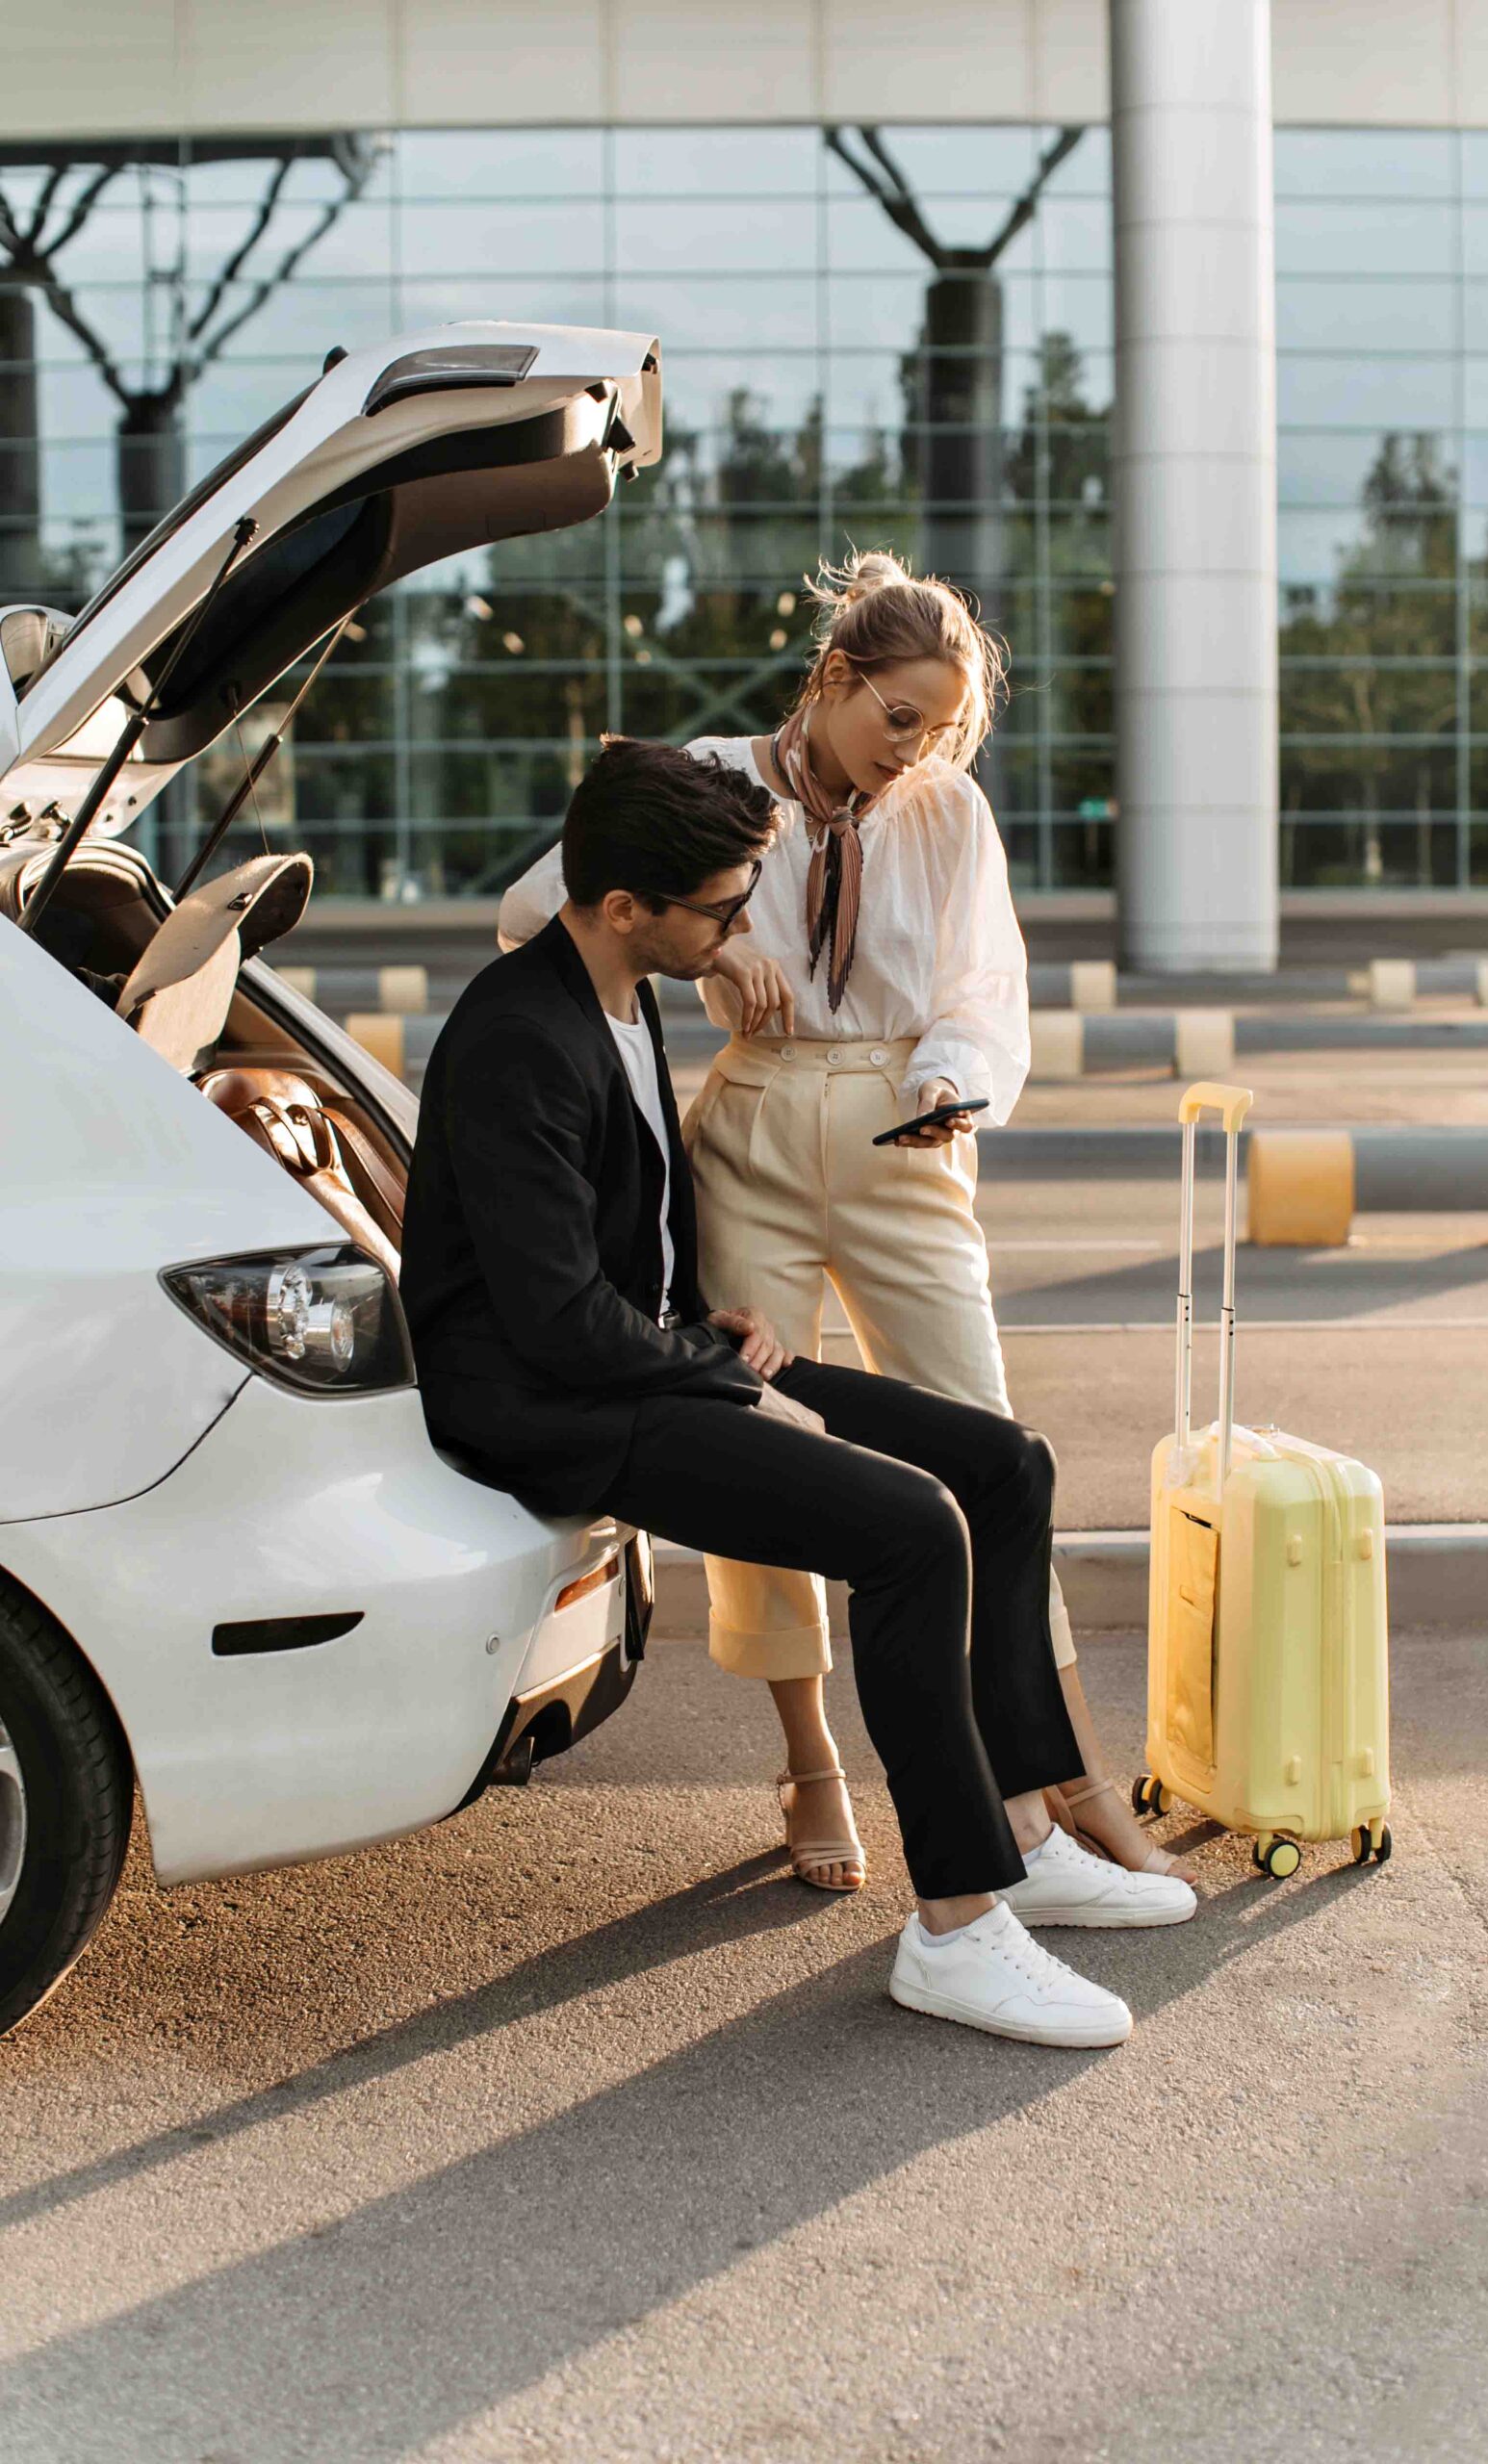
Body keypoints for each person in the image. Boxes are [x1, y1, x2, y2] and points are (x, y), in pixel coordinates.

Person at [403, 737, 1194, 2050]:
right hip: (565, 1411)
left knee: (1007, 1467)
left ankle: (1022, 1821)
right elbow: (548, 1327)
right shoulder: (518, 1037)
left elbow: (599, 1252)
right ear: (622, 910)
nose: (737, 929)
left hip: (647, 1355)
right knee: (910, 1530)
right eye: (718, 910)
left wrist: (703, 1324)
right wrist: (714, 1373)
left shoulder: (614, 988)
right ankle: (956, 1926)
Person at [500, 552, 1196, 1896]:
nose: (916, 748)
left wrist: (950, 1081)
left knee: (991, 1447)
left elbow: (985, 988)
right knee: (763, 1456)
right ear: (834, 679)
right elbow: (538, 913)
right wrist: (708, 941)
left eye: (940, 728)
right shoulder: (702, 779)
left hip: (900, 1130)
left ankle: (1057, 1774)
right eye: (899, 718)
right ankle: (811, 1766)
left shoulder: (947, 813)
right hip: (749, 1129)